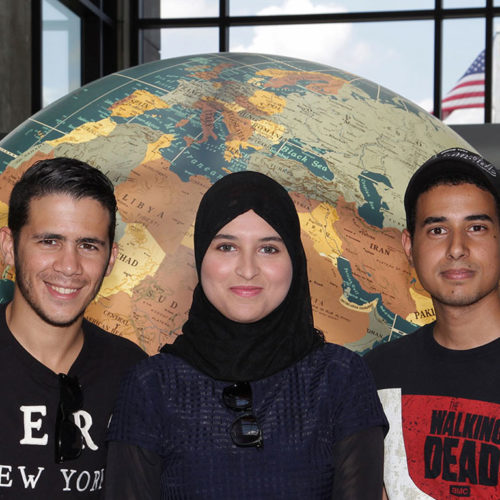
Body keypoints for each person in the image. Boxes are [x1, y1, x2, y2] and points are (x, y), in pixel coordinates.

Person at [105, 170, 388, 499]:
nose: (248, 269)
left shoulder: (341, 378)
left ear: (295, 259)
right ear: (200, 256)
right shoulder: (151, 386)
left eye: (268, 249)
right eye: (226, 247)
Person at [0, 157, 147, 498]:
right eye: (49, 241)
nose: (69, 266)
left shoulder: (134, 374)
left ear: (111, 259)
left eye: (88, 245)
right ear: (9, 247)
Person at [365, 148, 500, 499]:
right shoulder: (375, 375)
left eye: (476, 227)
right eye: (437, 229)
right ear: (409, 247)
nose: (457, 248)